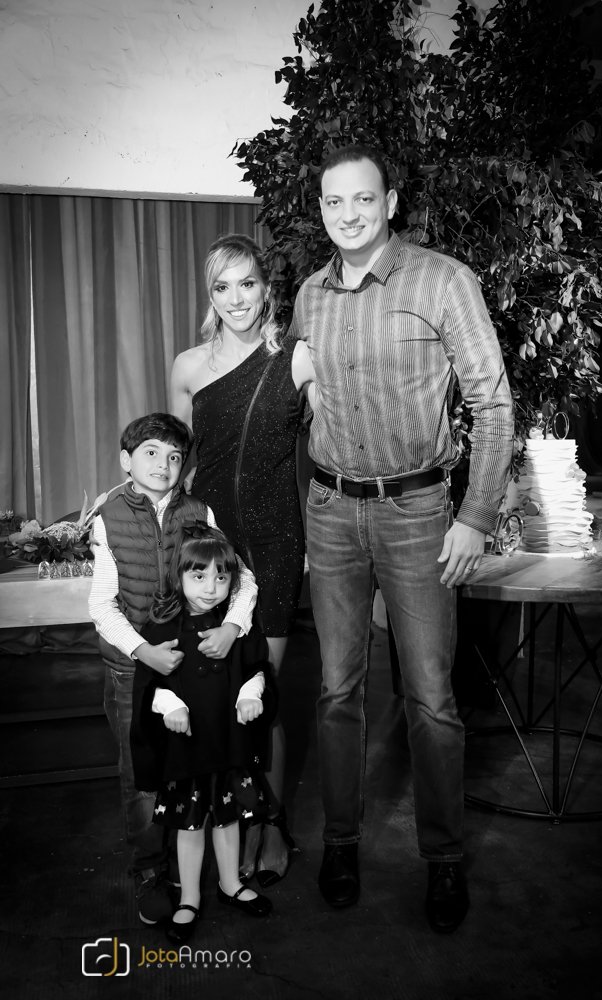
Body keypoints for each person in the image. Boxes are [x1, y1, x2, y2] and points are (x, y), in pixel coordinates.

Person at [289, 145, 514, 934]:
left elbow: (492, 406)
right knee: (335, 690)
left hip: (417, 514)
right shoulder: (309, 294)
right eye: (333, 201)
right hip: (330, 510)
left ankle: (443, 857)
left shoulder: (443, 280)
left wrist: (474, 516)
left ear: (389, 202)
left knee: (430, 697)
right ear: (321, 210)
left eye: (362, 198)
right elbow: (306, 389)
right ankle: (340, 844)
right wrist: (301, 383)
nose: (347, 214)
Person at [170, 234, 304, 887]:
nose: (236, 298)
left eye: (247, 283)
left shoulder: (295, 359)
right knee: (213, 693)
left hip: (276, 542)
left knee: (261, 692)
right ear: (210, 296)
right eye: (222, 287)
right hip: (213, 550)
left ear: (265, 288)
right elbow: (173, 465)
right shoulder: (189, 367)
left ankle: (269, 823)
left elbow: (342, 428)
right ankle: (224, 817)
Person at [88, 413, 258, 926]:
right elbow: (102, 605)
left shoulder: (198, 510)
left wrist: (232, 627)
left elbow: (242, 579)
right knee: (143, 773)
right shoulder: (108, 516)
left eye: (174, 456)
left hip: (193, 670)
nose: (163, 465)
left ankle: (204, 869)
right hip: (133, 669)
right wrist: (144, 652)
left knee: (195, 765)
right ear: (126, 460)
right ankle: (150, 869)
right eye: (151, 453)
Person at [130, 524, 276, 943]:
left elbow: (256, 667)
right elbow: (149, 685)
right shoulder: (163, 630)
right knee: (190, 826)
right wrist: (169, 704)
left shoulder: (236, 627)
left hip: (228, 745)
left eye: (221, 577)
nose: (211, 588)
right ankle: (190, 897)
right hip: (187, 751)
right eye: (199, 576)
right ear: (179, 576)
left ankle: (230, 884)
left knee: (227, 821)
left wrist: (250, 693)